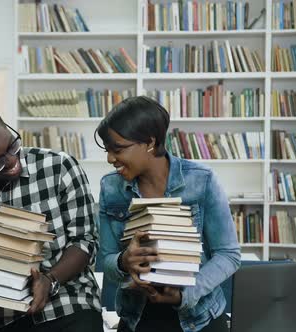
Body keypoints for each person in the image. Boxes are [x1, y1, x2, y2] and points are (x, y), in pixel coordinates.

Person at [0, 98, 102, 332]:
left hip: (69, 301)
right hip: (1, 314)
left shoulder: (59, 167)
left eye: (12, 145)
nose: (13, 162)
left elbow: (85, 241)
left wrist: (49, 280)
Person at [95, 96, 240, 332]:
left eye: (118, 149)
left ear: (150, 143)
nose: (110, 158)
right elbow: (108, 259)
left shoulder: (202, 180)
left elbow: (228, 254)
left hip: (200, 317)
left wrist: (186, 294)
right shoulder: (110, 188)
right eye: (108, 150)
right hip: (137, 319)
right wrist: (124, 261)